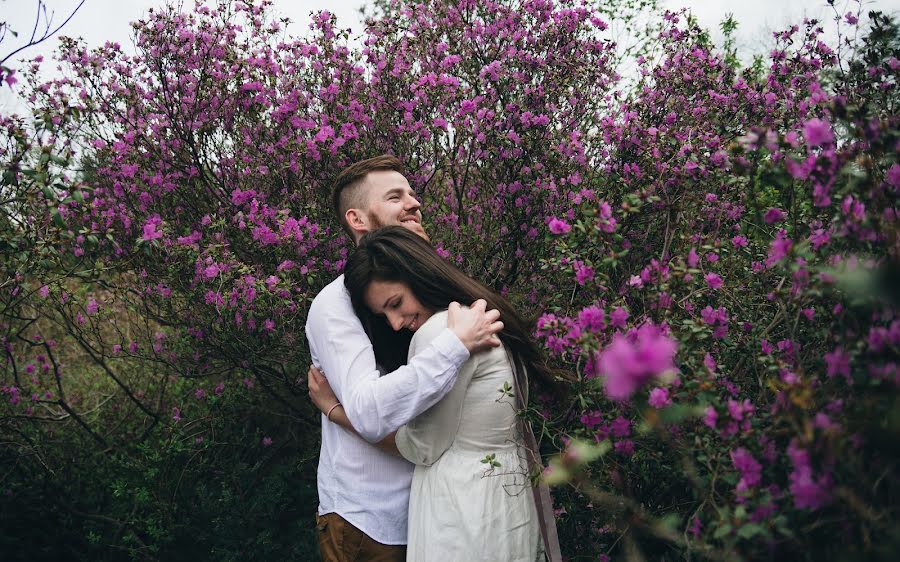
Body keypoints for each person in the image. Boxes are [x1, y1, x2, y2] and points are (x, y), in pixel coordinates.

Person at [309, 226, 562, 561]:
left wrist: (335, 410)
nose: (396, 322)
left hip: (463, 505)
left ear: (416, 274)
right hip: (506, 494)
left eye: (395, 303)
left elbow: (421, 446)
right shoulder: (478, 315)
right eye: (384, 315)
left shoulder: (440, 333)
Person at [305, 155, 504, 562]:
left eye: (412, 194)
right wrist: (341, 411)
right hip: (369, 520)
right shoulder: (335, 304)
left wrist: (334, 410)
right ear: (357, 219)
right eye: (395, 197)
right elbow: (370, 411)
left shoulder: (429, 295)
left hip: (434, 507)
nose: (414, 204)